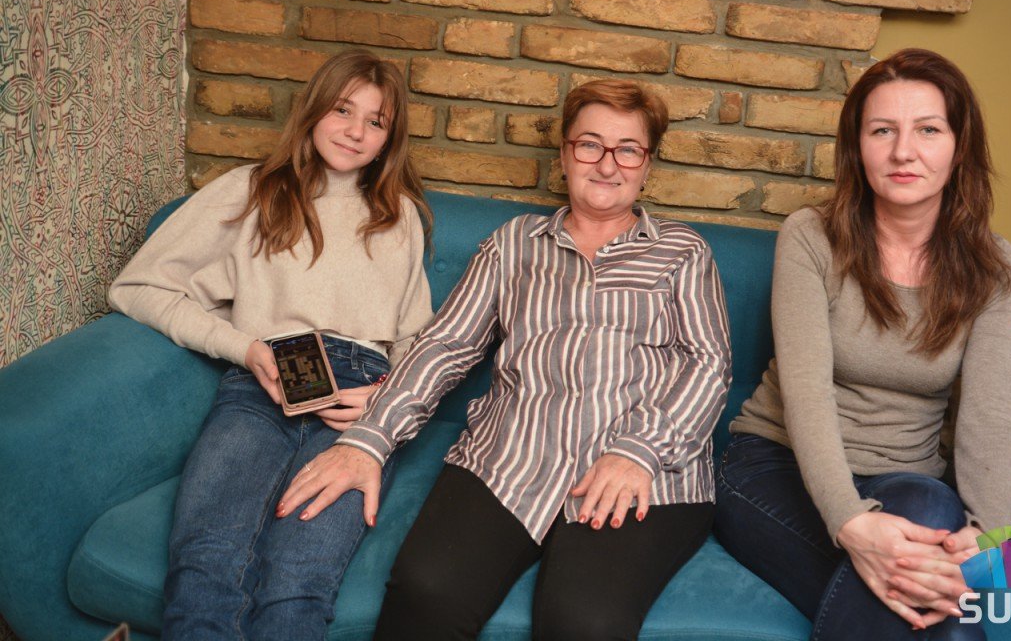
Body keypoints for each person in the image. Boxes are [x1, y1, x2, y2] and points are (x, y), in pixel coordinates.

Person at [278, 79, 732, 641]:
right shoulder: (514, 243)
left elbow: (709, 365)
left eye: (628, 150)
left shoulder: (683, 252)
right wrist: (368, 440)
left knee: (584, 622)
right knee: (425, 592)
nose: (607, 165)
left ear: (648, 165)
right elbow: (445, 346)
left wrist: (637, 452)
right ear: (564, 153)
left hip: (642, 468)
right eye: (590, 144)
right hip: (511, 456)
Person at [108, 49, 433, 640]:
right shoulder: (250, 190)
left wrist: (386, 398)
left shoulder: (400, 215)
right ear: (313, 110)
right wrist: (243, 348)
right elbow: (138, 287)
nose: (356, 131)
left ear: (390, 139)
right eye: (342, 110)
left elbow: (419, 338)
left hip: (360, 403)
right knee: (205, 563)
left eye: (376, 121)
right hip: (262, 383)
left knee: (298, 581)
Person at [713, 49, 1011, 640]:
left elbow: (989, 410)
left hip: (909, 484)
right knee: (945, 621)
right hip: (775, 466)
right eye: (883, 131)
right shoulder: (812, 236)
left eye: (928, 130)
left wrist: (991, 535)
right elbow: (806, 393)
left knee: (928, 511)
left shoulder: (995, 266)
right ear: (858, 148)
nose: (903, 151)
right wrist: (850, 522)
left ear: (960, 146)